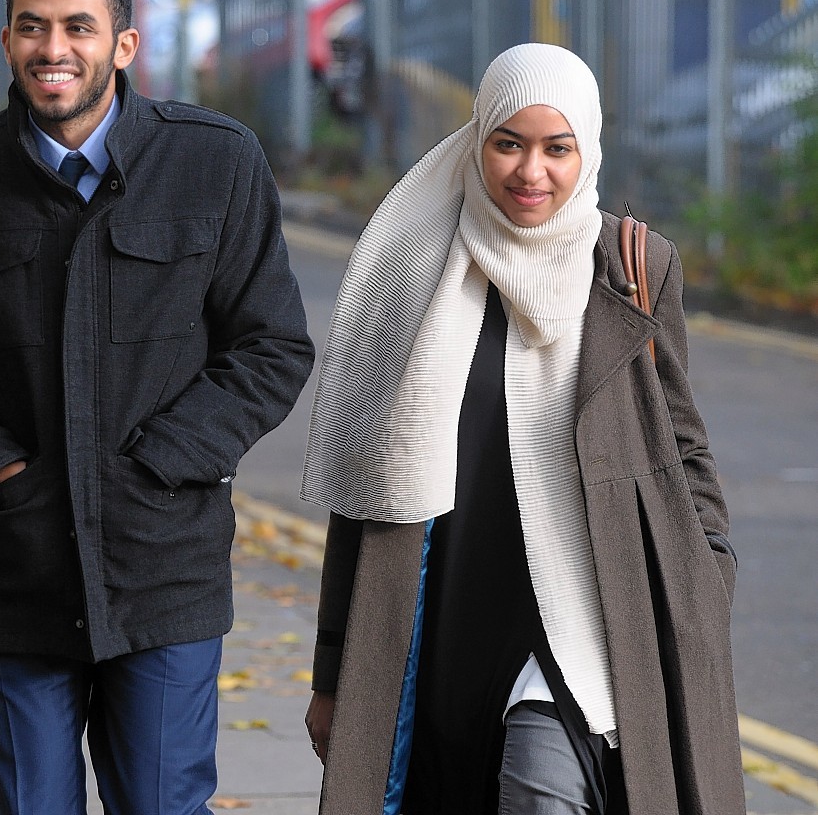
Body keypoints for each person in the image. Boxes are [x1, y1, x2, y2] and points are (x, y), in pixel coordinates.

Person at [0, 0, 314, 814]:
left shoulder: (216, 161)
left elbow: (271, 346)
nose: (54, 47)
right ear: (5, 41)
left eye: (79, 26)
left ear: (123, 44)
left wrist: (162, 464)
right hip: (19, 564)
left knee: (162, 802)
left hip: (166, 563)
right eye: (33, 26)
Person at [300, 43, 744, 814]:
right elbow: (364, 485)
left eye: (556, 148)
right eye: (509, 143)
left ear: (588, 151)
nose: (530, 172)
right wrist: (336, 673)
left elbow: (683, 444)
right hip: (443, 616)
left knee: (544, 793)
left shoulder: (634, 267)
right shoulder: (415, 266)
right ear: (478, 142)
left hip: (589, 611)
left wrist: (706, 575)